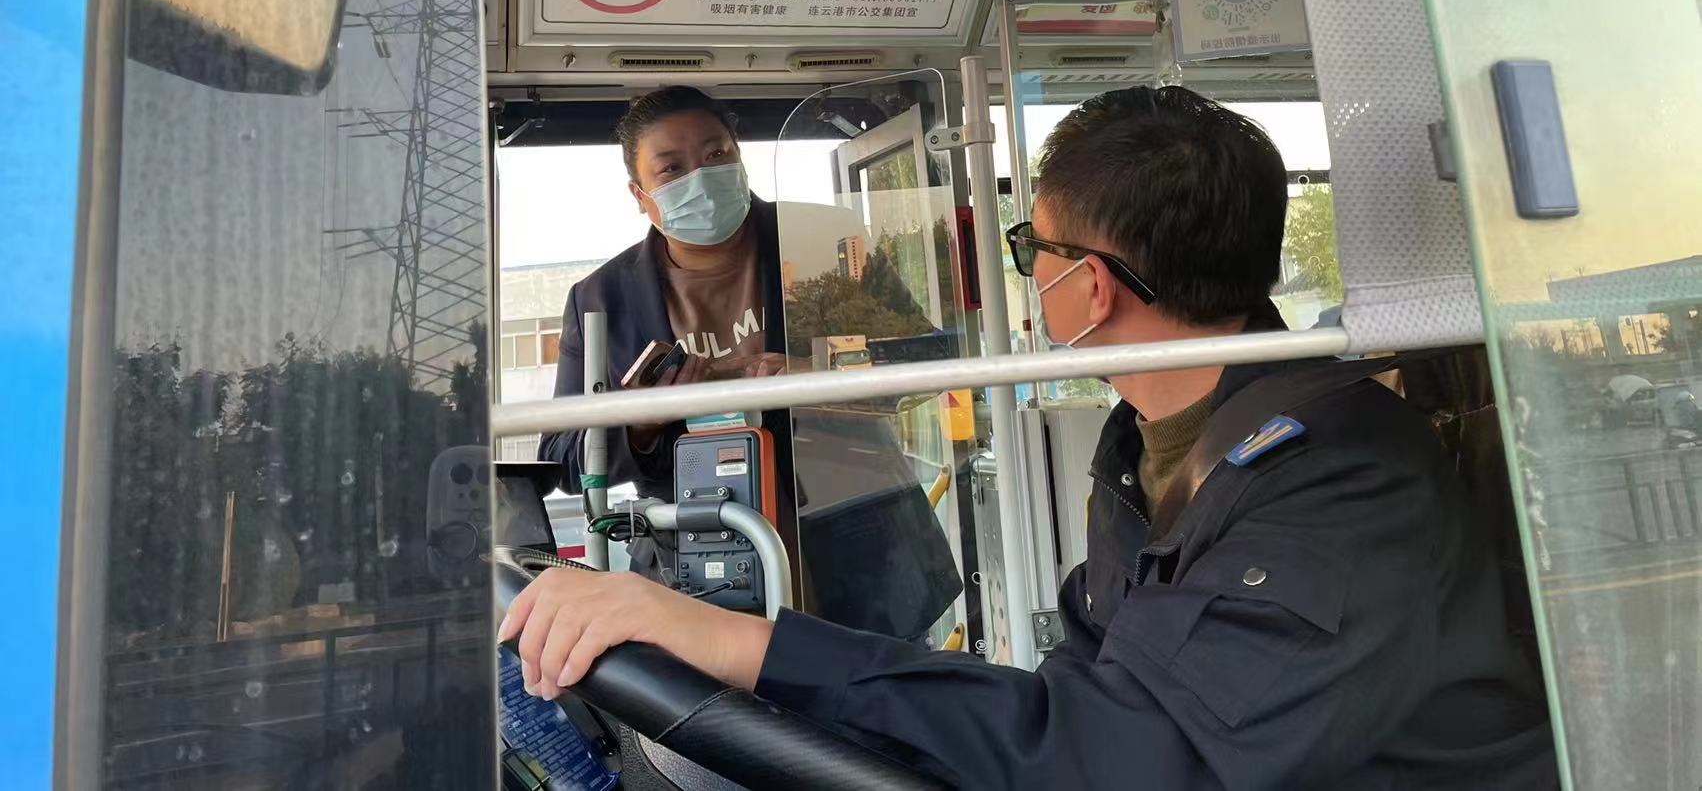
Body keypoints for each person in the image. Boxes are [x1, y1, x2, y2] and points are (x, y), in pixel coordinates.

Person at [506, 86, 1559, 788]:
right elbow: (1086, 701)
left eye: (1029, 247)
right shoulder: (1141, 443)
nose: (700, 176)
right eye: (672, 165)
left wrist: (742, 645)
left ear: (1087, 287)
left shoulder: (1336, 483)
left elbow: (1123, 756)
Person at [537, 86, 790, 571]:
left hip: (845, 528)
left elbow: (920, 360)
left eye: (716, 155)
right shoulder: (599, 298)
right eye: (672, 169)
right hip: (687, 556)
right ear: (640, 195)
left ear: (740, 159)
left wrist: (817, 373)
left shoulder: (823, 237)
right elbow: (561, 458)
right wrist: (641, 423)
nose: (701, 178)